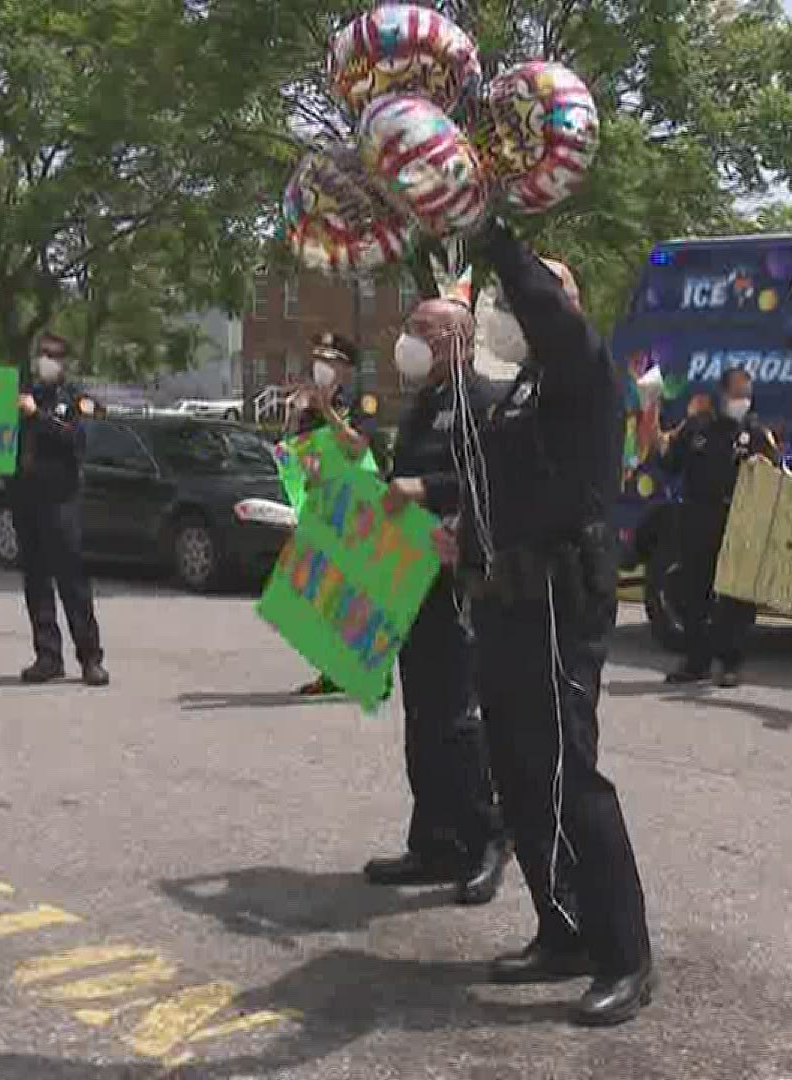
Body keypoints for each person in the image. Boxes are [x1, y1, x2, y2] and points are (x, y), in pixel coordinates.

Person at [430, 218, 654, 1025]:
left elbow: (550, 317)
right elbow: (497, 487)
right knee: (520, 769)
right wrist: (463, 535)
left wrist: (495, 239)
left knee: (569, 771)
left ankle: (626, 954)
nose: (510, 311)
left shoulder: (584, 370)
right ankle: (560, 927)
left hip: (563, 599)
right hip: (504, 598)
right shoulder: (516, 390)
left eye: (528, 296)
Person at [364, 299, 509, 905]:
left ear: (457, 338)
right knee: (422, 717)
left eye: (422, 329)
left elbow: (489, 478)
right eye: (409, 328)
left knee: (456, 719)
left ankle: (484, 840)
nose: (409, 339)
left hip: (457, 576)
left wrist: (424, 487)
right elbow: (399, 482)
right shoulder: (421, 403)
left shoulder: (479, 401)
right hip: (411, 572)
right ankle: (432, 842)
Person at [658, 366, 778, 687]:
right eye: (737, 393)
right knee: (694, 592)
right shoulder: (699, 428)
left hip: (737, 522)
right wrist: (656, 439)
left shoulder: (755, 434)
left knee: (735, 598)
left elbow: (777, 475)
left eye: (747, 395)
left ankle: (731, 662)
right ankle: (696, 661)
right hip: (698, 518)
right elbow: (670, 464)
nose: (742, 400)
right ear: (722, 394)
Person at [286, 333, 382, 699]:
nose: (321, 367)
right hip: (324, 503)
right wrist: (299, 419)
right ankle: (330, 669)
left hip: (359, 503)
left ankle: (369, 671)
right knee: (327, 589)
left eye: (330, 360)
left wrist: (328, 411)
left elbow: (358, 447)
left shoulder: (362, 400)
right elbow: (302, 454)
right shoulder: (310, 407)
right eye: (317, 359)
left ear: (346, 367)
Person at [14, 333, 108, 687]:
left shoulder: (75, 399)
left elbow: (73, 439)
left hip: (61, 501)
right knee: (35, 582)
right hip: (27, 499)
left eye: (53, 356)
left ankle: (90, 658)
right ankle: (47, 655)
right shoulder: (26, 395)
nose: (45, 361)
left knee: (72, 583)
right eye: (41, 354)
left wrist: (37, 416)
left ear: (64, 361)